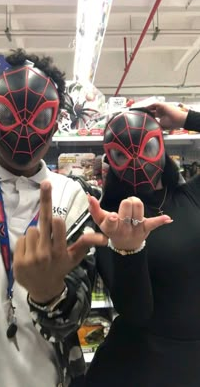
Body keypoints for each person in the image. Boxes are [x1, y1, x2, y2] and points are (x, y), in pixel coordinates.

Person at [0, 48, 113, 387]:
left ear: (55, 119)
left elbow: (73, 317)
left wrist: (51, 295)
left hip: (45, 374)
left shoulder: (71, 195)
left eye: (40, 117)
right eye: (8, 111)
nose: (26, 128)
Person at [84, 103, 200, 387]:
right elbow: (136, 313)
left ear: (162, 146)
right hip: (140, 368)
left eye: (147, 147)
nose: (137, 160)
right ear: (110, 160)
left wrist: (186, 118)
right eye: (122, 155)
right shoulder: (111, 219)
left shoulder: (190, 196)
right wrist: (128, 251)